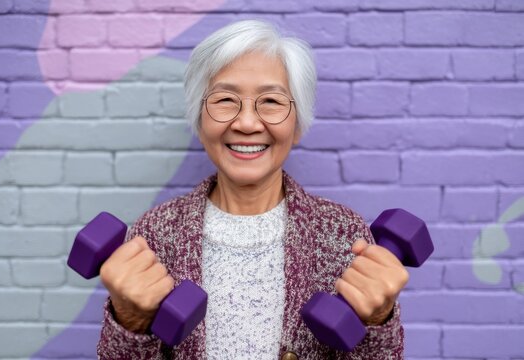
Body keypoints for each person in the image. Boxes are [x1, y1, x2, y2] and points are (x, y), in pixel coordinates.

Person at [96, 19, 408, 360]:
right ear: (200, 122)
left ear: (297, 125)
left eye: (271, 102)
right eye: (226, 100)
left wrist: (378, 322)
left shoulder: (345, 234)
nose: (246, 123)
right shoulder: (152, 236)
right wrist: (130, 322)